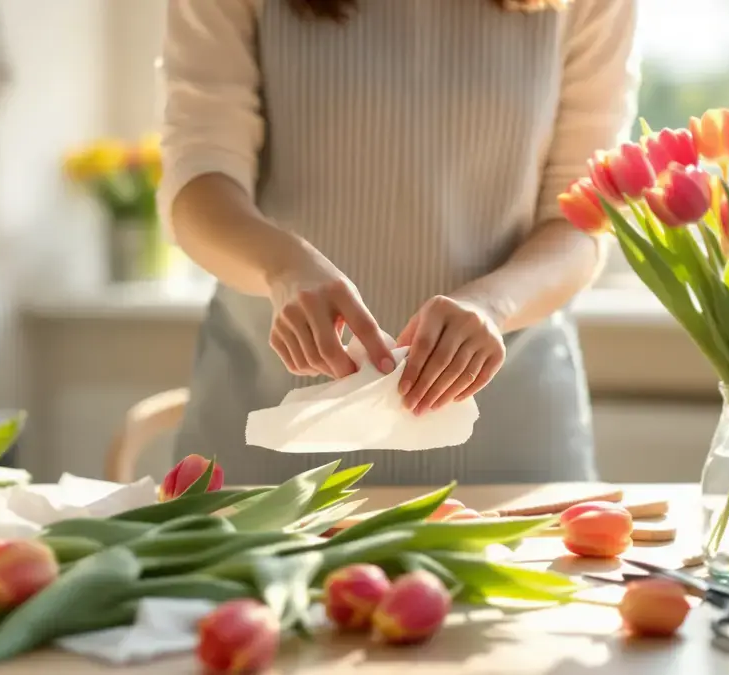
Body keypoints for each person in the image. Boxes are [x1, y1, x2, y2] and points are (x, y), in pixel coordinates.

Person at [158, 0, 639, 485]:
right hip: (266, 445)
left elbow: (581, 217)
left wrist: (494, 303)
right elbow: (199, 182)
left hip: (509, 448)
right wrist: (283, 265)